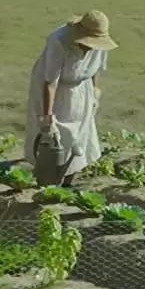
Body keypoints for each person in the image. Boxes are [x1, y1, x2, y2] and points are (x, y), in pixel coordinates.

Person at [25, 10, 118, 187]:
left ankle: (68, 179)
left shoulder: (99, 45)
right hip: (55, 90)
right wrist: (47, 118)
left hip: (81, 89)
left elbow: (94, 71)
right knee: (56, 138)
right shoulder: (59, 41)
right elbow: (50, 82)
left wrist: (94, 94)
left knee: (79, 135)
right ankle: (48, 179)